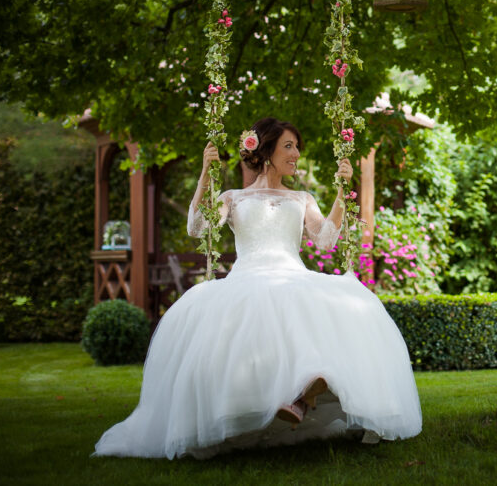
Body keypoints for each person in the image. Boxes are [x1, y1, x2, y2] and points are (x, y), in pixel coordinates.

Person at [93, 117, 422, 459]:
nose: (296, 154)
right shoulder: (233, 198)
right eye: (288, 146)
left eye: (297, 147)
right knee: (257, 320)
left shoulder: (302, 198)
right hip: (248, 277)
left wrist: (342, 192)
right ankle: (297, 395)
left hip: (292, 275)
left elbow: (324, 240)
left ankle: (304, 392)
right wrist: (205, 176)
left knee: (339, 305)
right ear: (266, 150)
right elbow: (198, 228)